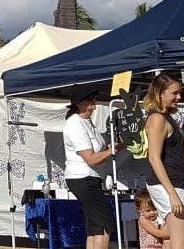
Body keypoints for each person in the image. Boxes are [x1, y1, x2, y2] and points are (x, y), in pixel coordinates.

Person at [144, 74, 184, 249]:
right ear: (160, 93)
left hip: (174, 183)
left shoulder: (165, 118)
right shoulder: (157, 119)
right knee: (181, 242)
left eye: (179, 93)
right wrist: (173, 194)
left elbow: (180, 147)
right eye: (174, 93)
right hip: (170, 184)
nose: (179, 97)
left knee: (173, 240)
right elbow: (154, 158)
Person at [62, 86, 123, 249]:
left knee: (95, 225)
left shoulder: (86, 122)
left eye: (93, 97)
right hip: (82, 177)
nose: (93, 100)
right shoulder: (75, 124)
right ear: (80, 103)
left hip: (89, 178)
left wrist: (114, 147)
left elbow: (97, 151)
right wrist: (111, 152)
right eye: (89, 98)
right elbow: (91, 159)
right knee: (104, 223)